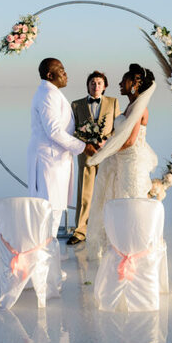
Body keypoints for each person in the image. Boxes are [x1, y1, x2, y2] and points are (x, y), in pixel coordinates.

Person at [85, 64, 158, 258]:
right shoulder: (130, 106)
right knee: (116, 201)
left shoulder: (140, 108)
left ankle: (134, 248)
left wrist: (106, 150)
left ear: (135, 84)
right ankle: (120, 246)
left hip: (132, 164)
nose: (119, 83)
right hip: (120, 162)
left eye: (124, 80)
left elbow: (130, 141)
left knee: (130, 203)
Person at [26, 58, 98, 236]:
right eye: (61, 70)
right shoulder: (48, 95)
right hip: (49, 159)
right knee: (48, 210)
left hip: (56, 159)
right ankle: (44, 252)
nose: (66, 74)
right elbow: (54, 131)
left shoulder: (51, 92)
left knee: (54, 208)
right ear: (50, 75)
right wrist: (83, 147)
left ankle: (47, 251)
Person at [67, 71, 121, 245]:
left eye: (99, 83)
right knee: (85, 192)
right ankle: (80, 230)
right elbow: (72, 130)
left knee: (107, 191)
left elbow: (118, 128)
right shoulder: (76, 104)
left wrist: (105, 142)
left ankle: (106, 230)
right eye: (92, 83)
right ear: (87, 85)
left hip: (107, 153)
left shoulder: (113, 102)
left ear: (104, 86)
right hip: (86, 153)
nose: (95, 86)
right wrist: (85, 144)